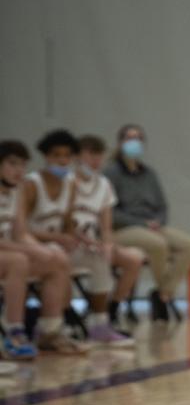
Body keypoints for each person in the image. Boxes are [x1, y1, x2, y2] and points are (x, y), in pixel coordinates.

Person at [23, 130, 133, 347]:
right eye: (56, 156)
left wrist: (85, 240)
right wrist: (57, 238)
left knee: (98, 256)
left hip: (59, 246)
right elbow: (20, 230)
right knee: (58, 256)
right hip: (33, 247)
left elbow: (68, 225)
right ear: (46, 157)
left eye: (66, 156)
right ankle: (55, 326)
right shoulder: (32, 184)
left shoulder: (69, 185)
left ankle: (99, 324)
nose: (62, 161)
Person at [0, 140, 87, 355]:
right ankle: (13, 332)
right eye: (12, 164)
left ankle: (50, 331)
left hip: (8, 253)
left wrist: (41, 249)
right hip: (9, 256)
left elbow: (21, 234)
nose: (18, 171)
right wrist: (29, 250)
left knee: (57, 260)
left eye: (22, 165)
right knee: (18, 261)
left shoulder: (16, 192)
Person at [104, 124, 190, 321]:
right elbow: (110, 211)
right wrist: (143, 224)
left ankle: (163, 293)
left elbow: (162, 205)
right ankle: (163, 297)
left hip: (152, 226)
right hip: (124, 228)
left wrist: (158, 222)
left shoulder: (149, 173)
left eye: (138, 138)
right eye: (129, 138)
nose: (134, 143)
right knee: (157, 244)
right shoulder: (111, 173)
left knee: (189, 245)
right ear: (120, 143)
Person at [75, 135, 146, 329]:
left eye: (99, 155)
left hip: (92, 243)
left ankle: (113, 308)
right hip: (70, 243)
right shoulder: (67, 183)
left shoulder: (104, 185)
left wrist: (107, 243)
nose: (96, 161)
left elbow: (106, 227)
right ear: (77, 157)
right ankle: (70, 316)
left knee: (134, 258)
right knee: (92, 260)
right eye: (90, 155)